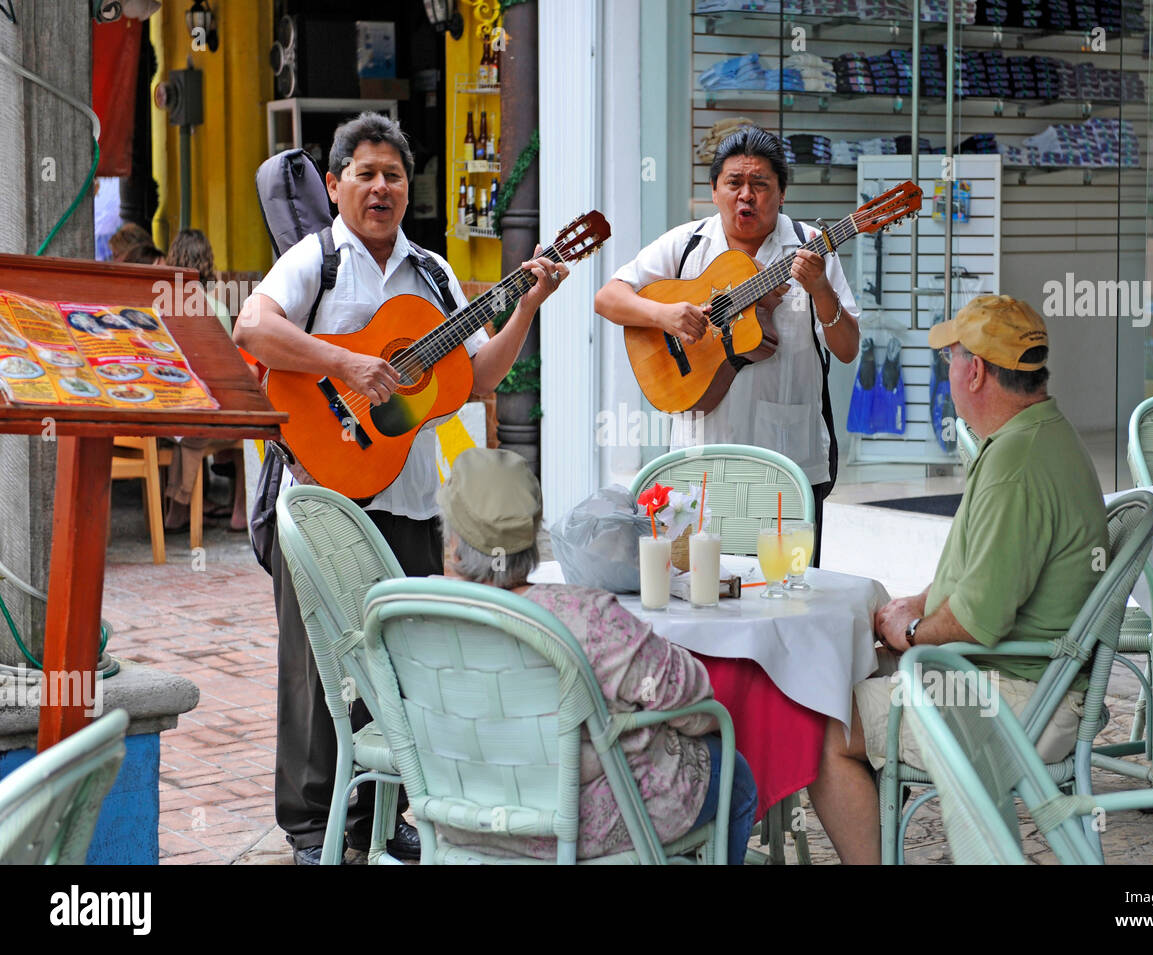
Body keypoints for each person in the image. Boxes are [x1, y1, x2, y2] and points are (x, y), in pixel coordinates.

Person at [232, 112, 568, 865]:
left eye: (393, 175)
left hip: (408, 496)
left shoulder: (435, 274)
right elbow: (254, 330)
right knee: (316, 664)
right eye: (365, 172)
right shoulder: (314, 260)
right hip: (321, 492)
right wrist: (346, 365)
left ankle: (381, 815)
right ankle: (310, 825)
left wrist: (527, 305)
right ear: (335, 183)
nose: (380, 187)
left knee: (402, 665)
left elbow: (475, 378)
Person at [807, 295, 1106, 864]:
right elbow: (987, 574)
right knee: (836, 674)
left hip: (1018, 701)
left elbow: (975, 623)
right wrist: (915, 606)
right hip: (1025, 677)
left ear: (975, 371)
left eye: (950, 360)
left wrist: (912, 630)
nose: (945, 374)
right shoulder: (1038, 437)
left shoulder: (1016, 464)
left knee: (821, 728)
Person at [435, 447, 759, 863]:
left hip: (461, 814)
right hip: (578, 824)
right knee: (733, 773)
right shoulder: (584, 617)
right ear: (534, 534)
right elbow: (693, 697)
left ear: (454, 540)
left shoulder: (407, 618)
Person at [594, 125, 860, 565]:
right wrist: (666, 314)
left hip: (788, 464)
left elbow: (848, 348)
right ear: (715, 191)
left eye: (761, 185)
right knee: (702, 594)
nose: (746, 195)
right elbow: (608, 298)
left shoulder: (812, 247)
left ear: (782, 193)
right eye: (734, 183)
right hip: (701, 462)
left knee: (786, 595)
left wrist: (820, 291)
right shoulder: (686, 244)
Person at [162, 228, 245, 533]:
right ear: (208, 263)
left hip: (165, 410)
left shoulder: (160, 307)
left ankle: (185, 507)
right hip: (201, 414)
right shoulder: (218, 310)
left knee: (194, 419)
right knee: (247, 428)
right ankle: (240, 511)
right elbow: (227, 370)